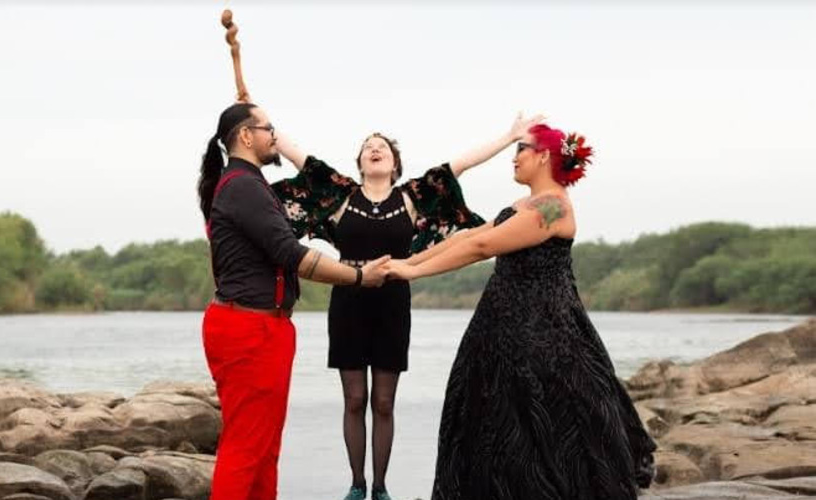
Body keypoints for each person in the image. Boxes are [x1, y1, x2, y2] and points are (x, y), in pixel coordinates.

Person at [268, 113, 542, 500]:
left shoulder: (412, 197)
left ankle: (381, 488)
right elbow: (297, 155)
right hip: (348, 301)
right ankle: (357, 486)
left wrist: (509, 136)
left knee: (383, 402)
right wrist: (261, 122)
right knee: (354, 400)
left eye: (381, 147)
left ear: (394, 163)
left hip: (393, 302)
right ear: (360, 163)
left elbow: (461, 163)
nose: (374, 149)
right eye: (367, 147)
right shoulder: (340, 194)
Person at [386, 123, 657, 500]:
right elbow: (470, 236)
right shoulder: (523, 205)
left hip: (542, 329)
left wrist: (413, 274)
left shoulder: (553, 206)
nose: (513, 158)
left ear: (544, 156)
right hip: (500, 324)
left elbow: (482, 247)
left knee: (538, 419)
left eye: (521, 149)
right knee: (489, 413)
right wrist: (404, 262)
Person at [198, 102, 390, 500]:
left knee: (265, 447)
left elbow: (309, 203)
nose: (275, 137)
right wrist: (359, 276)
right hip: (247, 329)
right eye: (269, 129)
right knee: (246, 446)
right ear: (246, 136)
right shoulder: (242, 187)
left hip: (263, 328)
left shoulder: (250, 184)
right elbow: (292, 255)